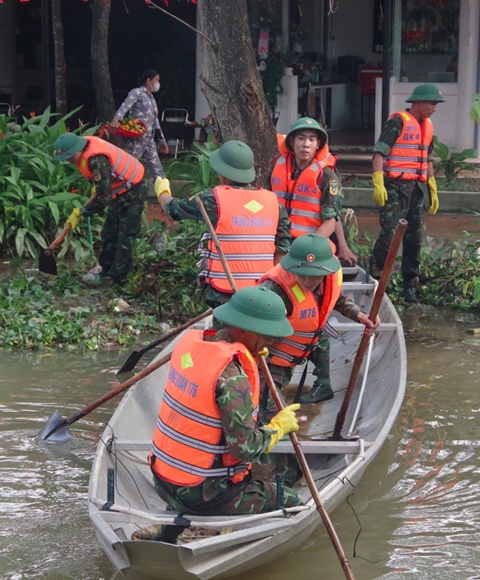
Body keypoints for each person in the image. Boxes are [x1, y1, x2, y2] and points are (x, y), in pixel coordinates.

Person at [147, 286, 303, 544]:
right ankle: (251, 543)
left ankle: (167, 533)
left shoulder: (193, 348)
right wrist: (277, 428)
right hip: (206, 495)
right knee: (293, 500)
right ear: (242, 329)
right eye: (266, 335)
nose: (272, 342)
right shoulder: (233, 378)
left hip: (162, 480)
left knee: (196, 472)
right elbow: (245, 448)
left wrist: (251, 352)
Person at [156, 140, 291, 307]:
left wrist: (162, 191)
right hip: (262, 291)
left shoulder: (213, 198)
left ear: (223, 172)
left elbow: (173, 209)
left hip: (223, 292)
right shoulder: (274, 203)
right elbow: (282, 250)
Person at [258, 234, 378, 405]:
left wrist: (359, 315)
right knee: (266, 409)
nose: (308, 281)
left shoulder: (328, 278)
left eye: (315, 276)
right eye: (303, 275)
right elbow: (253, 331)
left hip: (305, 341)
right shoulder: (274, 290)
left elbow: (336, 299)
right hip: (273, 355)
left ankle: (323, 384)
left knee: (319, 328)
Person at [370, 83, 442, 303]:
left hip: (417, 189)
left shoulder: (427, 126)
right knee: (389, 235)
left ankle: (408, 285)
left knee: (414, 238)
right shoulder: (398, 121)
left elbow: (427, 158)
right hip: (395, 188)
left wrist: (432, 185)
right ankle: (375, 280)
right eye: (432, 103)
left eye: (436, 103)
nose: (435, 108)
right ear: (418, 102)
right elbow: (380, 153)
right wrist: (378, 182)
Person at [54, 132, 148, 284]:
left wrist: (81, 213)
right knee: (109, 232)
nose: (70, 162)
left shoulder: (96, 160)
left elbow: (103, 199)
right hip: (118, 189)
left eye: (70, 158)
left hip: (134, 189)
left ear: (78, 149)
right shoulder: (86, 151)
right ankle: (107, 271)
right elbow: (103, 184)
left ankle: (121, 278)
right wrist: (99, 186)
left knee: (125, 235)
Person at [267, 117, 358, 267]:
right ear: (291, 142)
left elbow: (331, 221)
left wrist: (305, 249)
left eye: (312, 140)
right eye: (301, 138)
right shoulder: (276, 167)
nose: (306, 145)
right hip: (277, 241)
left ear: (318, 145)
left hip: (310, 243)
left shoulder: (327, 175)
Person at [111, 69, 168, 182]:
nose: (158, 83)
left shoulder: (152, 99)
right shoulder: (137, 92)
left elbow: (155, 121)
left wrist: (162, 140)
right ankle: (116, 191)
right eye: (156, 80)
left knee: (158, 171)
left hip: (149, 140)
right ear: (149, 81)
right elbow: (125, 106)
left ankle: (165, 196)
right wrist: (116, 119)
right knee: (128, 167)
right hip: (135, 140)